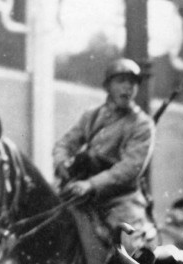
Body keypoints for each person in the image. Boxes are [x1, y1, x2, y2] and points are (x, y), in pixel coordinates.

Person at [53, 57, 155, 236]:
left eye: (132, 83)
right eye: (121, 81)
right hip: (81, 193)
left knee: (132, 244)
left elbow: (130, 168)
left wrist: (91, 184)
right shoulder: (91, 116)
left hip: (120, 200)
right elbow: (65, 143)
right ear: (107, 87)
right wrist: (61, 163)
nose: (128, 87)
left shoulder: (142, 124)